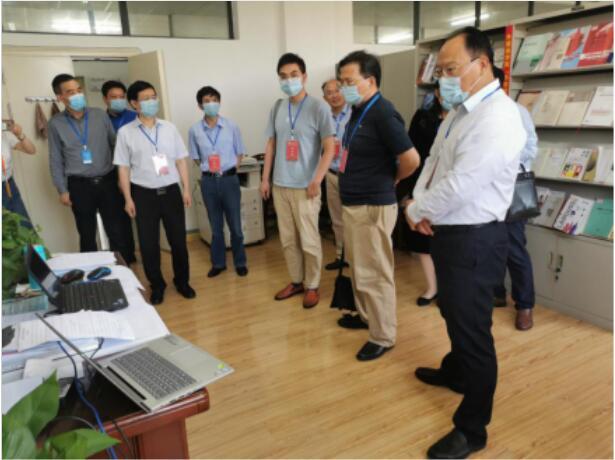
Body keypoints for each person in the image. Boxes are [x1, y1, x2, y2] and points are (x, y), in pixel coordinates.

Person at [405, 27, 526, 459]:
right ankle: (456, 372)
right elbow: (434, 161)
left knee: (473, 332)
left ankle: (472, 429)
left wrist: (417, 210)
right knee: (454, 313)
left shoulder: (499, 117)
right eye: (440, 71)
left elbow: (462, 183)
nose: (444, 79)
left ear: (482, 64)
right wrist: (420, 203)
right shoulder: (459, 111)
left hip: (475, 239)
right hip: (448, 232)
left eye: (451, 69)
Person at [337, 50, 420, 361]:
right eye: (341, 81)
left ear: (370, 81)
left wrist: (393, 179)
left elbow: (411, 159)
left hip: (372, 205)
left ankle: (383, 335)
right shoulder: (358, 110)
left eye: (349, 81)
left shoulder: (383, 113)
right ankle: (366, 316)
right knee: (361, 269)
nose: (343, 87)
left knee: (375, 272)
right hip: (355, 204)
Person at [260, 53, 336, 309]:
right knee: (288, 239)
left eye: (294, 75)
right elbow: (271, 145)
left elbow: (330, 148)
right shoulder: (277, 107)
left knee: (309, 239)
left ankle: (312, 285)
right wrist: (265, 179)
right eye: (283, 76)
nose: (288, 80)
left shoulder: (318, 107)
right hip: (280, 185)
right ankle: (296, 281)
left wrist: (317, 179)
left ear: (304, 76)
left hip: (306, 187)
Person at [114, 80, 195, 305]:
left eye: (153, 97)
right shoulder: (125, 133)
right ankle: (157, 285)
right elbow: (123, 167)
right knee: (148, 245)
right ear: (134, 104)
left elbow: (181, 160)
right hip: (143, 194)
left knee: (178, 241)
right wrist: (128, 198)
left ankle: (183, 281)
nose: (152, 102)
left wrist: (186, 189)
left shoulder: (169, 128)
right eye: (146, 98)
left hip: (171, 192)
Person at [48, 73, 136, 264]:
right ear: (60, 97)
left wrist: (121, 179)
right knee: (87, 233)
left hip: (108, 181)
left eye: (79, 90)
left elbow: (115, 146)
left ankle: (123, 270)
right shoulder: (55, 124)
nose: (77, 95)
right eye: (70, 92)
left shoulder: (99, 115)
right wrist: (62, 190)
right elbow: (55, 159)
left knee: (116, 231)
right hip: (79, 186)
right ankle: (92, 271)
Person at [492, 66, 537, 331]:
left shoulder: (517, 111)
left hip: (511, 189)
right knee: (489, 244)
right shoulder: (473, 113)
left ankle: (525, 305)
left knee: (514, 249)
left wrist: (501, 157)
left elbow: (531, 147)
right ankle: (496, 292)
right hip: (484, 190)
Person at [189, 85, 248, 278]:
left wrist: (230, 169)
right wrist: (210, 169)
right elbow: (195, 157)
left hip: (229, 180)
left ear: (219, 102)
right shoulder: (195, 130)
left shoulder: (231, 126)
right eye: (207, 101)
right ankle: (219, 263)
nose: (211, 104)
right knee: (215, 227)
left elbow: (239, 152)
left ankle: (240, 262)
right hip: (208, 182)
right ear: (200, 105)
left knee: (236, 227)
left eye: (214, 100)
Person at [399, 82, 449, 307]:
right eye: (442, 89)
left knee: (446, 239)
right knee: (422, 239)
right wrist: (406, 190)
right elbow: (409, 151)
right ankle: (432, 288)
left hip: (448, 187)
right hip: (422, 183)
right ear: (436, 93)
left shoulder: (465, 119)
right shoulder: (422, 117)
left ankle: (447, 288)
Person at [321, 78, 351, 271]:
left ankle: (356, 256)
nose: (334, 95)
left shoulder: (355, 114)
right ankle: (341, 256)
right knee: (337, 219)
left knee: (354, 218)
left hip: (351, 175)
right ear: (324, 98)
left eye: (337, 90)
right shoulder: (324, 118)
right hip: (331, 173)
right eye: (329, 93)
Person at [2, 120, 36, 225]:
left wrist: (20, 135)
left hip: (8, 185)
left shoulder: (5, 135)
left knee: (24, 225)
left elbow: (31, 150)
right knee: (5, 230)